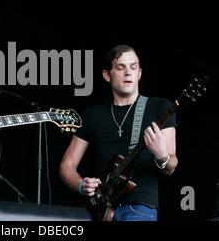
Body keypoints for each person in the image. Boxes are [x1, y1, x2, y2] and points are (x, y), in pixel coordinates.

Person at [59, 44, 178, 221]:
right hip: (97, 209)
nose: (128, 73)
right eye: (120, 67)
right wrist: (81, 184)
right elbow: (66, 166)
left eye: (133, 67)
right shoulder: (92, 115)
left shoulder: (160, 108)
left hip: (139, 208)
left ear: (139, 73)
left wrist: (162, 156)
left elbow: (171, 166)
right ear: (107, 75)